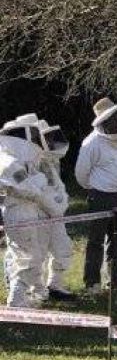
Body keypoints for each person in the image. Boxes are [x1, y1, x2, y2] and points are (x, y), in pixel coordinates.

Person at [75, 98, 117, 294]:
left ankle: (116, 281)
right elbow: (81, 174)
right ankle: (92, 283)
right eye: (111, 118)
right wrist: (96, 188)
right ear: (103, 121)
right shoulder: (91, 142)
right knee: (96, 240)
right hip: (100, 196)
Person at [0, 115, 60, 307]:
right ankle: (16, 301)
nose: (34, 142)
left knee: (24, 255)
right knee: (27, 257)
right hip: (19, 212)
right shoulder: (8, 162)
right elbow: (27, 188)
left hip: (24, 212)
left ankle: (21, 297)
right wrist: (40, 183)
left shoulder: (16, 160)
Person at [36, 118, 75, 300]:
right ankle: (36, 290)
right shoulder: (34, 160)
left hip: (55, 213)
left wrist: (61, 203)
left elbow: (56, 187)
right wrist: (52, 206)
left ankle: (55, 285)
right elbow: (35, 191)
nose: (51, 141)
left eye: (51, 137)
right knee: (38, 253)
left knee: (63, 248)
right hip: (38, 214)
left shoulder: (52, 160)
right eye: (47, 137)